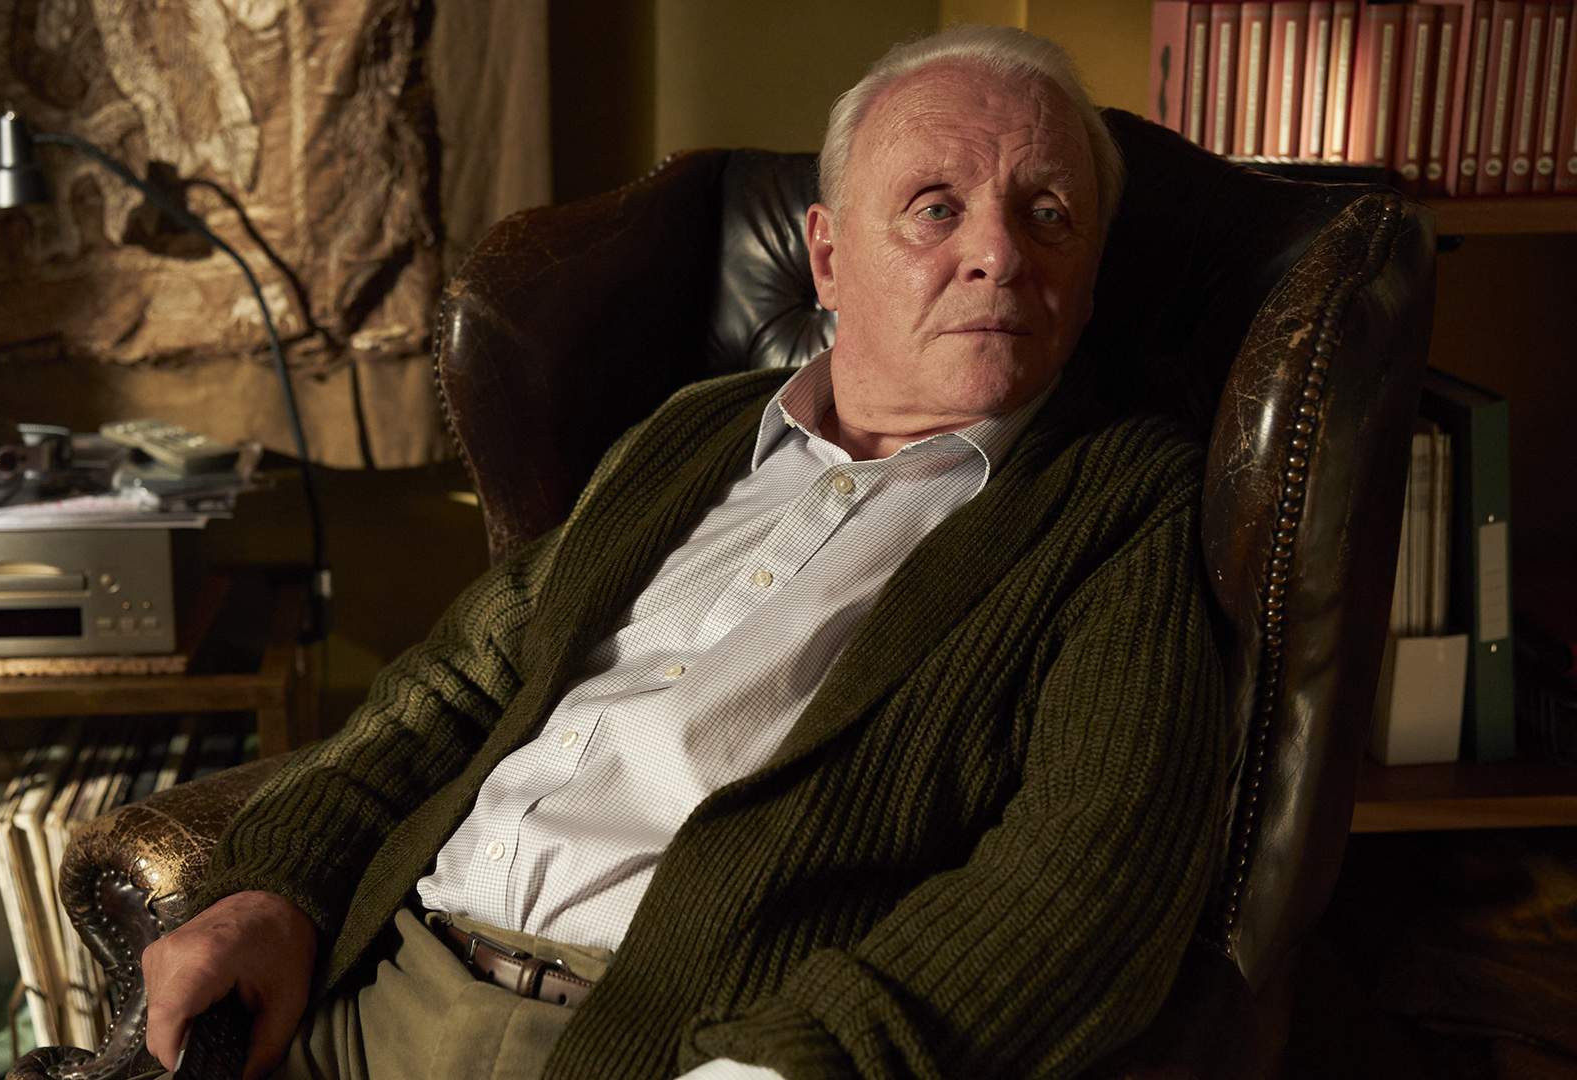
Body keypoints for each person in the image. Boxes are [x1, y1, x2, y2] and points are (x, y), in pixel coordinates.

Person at [142, 24, 1228, 1080]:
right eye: (936, 208)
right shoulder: (695, 431)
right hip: (371, 994)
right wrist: (270, 892)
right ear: (829, 257)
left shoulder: (1120, 504)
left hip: (653, 1041)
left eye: (1050, 214)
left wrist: (793, 1068)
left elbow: (1091, 869)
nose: (999, 254)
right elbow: (460, 683)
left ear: (1090, 276)